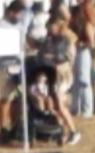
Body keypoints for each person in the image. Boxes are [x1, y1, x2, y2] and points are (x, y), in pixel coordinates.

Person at [34, 15, 82, 144]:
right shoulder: (49, 40)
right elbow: (41, 54)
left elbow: (61, 57)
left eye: (51, 27)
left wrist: (48, 56)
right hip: (53, 74)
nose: (49, 29)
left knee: (60, 106)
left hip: (62, 75)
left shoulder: (65, 40)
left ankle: (73, 131)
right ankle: (63, 132)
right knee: (54, 105)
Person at [68, 0, 95, 118]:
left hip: (84, 47)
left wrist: (90, 42)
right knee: (76, 78)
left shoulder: (87, 9)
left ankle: (87, 109)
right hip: (77, 45)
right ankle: (75, 107)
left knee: (84, 78)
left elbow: (90, 27)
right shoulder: (76, 10)